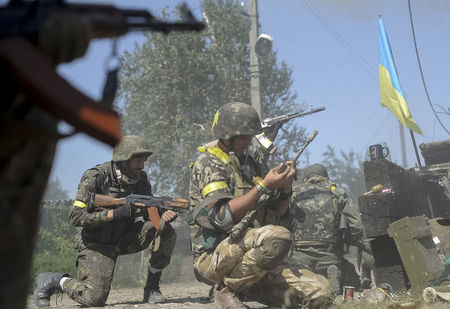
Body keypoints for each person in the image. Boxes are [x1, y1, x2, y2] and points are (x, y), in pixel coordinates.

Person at [188, 102, 331, 309]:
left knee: (322, 293)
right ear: (227, 135)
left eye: (250, 136)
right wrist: (263, 187)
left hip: (254, 257)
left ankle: (249, 287)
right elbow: (221, 217)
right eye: (244, 137)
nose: (249, 142)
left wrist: (285, 189)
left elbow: (277, 216)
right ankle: (227, 290)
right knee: (278, 237)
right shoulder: (209, 162)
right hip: (215, 256)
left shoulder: (250, 165)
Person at [33, 135, 177, 307]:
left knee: (165, 230)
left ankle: (152, 289)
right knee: (94, 299)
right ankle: (54, 280)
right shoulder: (95, 177)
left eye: (144, 161)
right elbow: (75, 217)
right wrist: (113, 214)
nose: (142, 166)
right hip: (96, 244)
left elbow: (148, 217)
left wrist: (162, 216)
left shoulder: (141, 180)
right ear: (123, 159)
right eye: (138, 161)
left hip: (124, 239)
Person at [289, 163, 366, 293]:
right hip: (330, 255)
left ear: (305, 180)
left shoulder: (294, 193)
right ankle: (334, 276)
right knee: (354, 282)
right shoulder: (337, 191)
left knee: (301, 280)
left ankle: (306, 278)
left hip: (300, 257)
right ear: (326, 177)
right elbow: (356, 225)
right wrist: (351, 241)